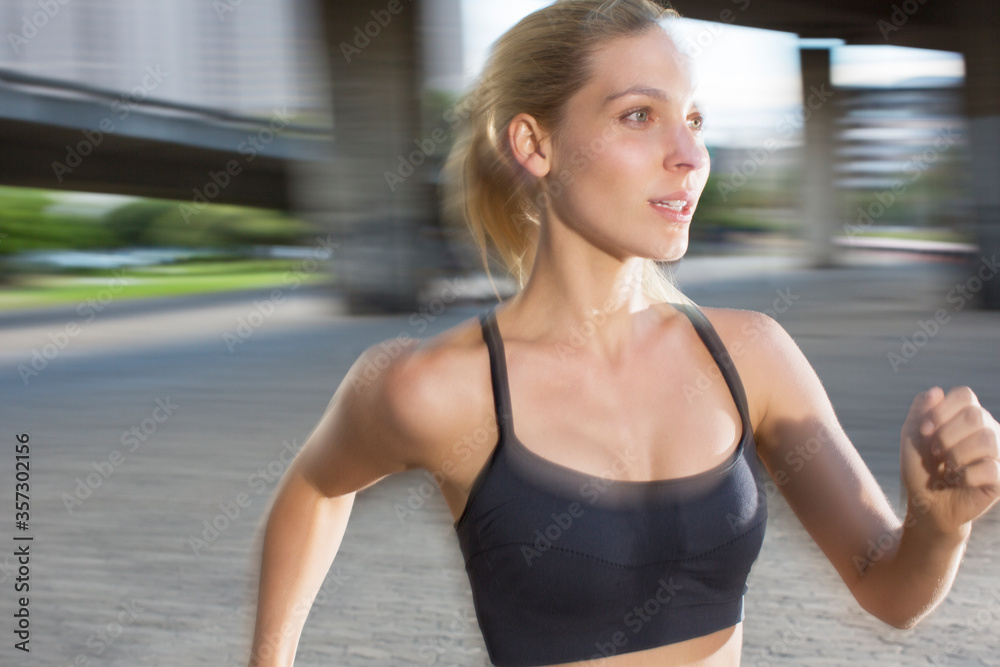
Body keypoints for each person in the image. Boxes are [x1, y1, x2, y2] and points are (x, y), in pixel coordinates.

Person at [247, 1, 1000, 665]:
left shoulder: (751, 357)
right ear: (534, 146)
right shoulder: (437, 387)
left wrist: (937, 525)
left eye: (694, 119)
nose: (691, 156)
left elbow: (890, 590)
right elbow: (315, 485)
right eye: (640, 115)